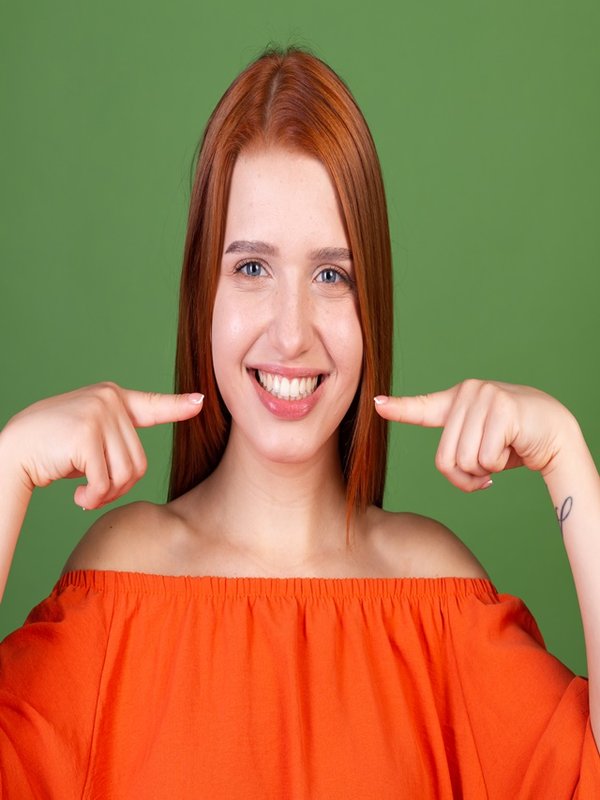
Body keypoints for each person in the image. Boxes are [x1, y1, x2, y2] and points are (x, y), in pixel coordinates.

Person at [0, 44, 599, 799]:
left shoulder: (440, 600)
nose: (291, 333)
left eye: (331, 275)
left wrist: (569, 459)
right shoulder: (118, 584)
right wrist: (7, 467)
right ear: (202, 297)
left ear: (370, 302)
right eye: (251, 268)